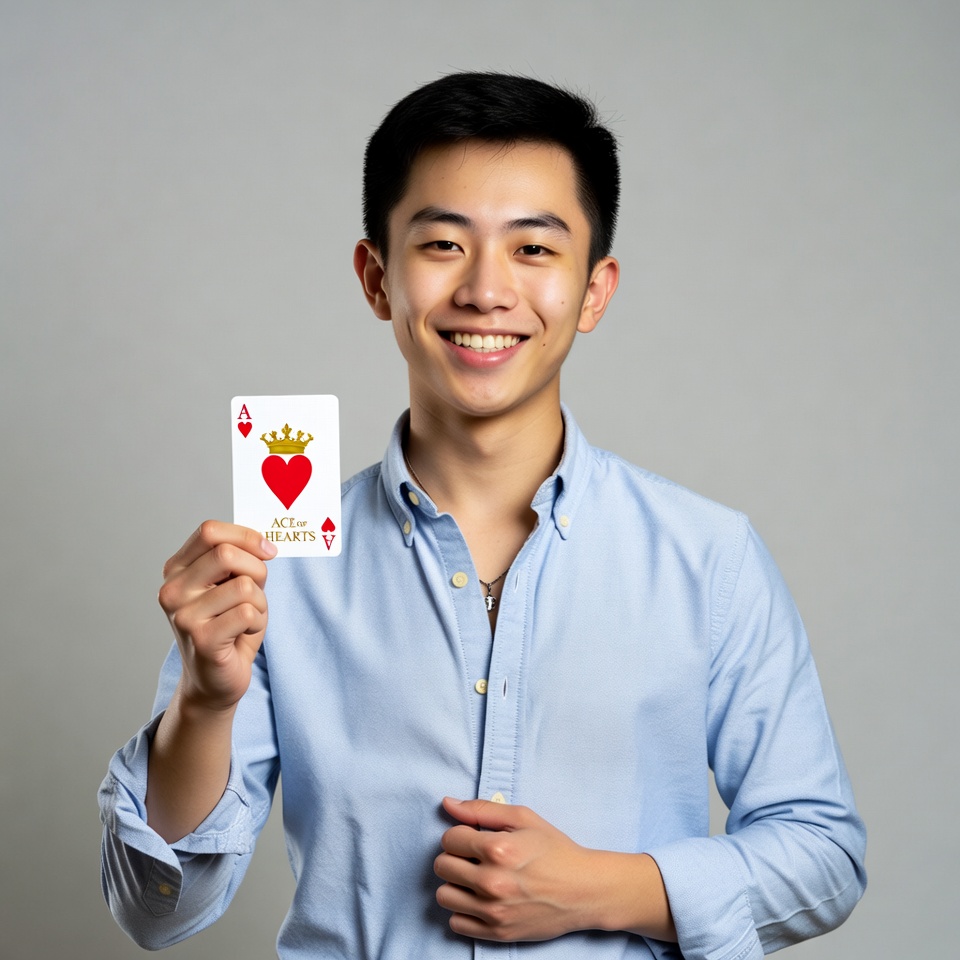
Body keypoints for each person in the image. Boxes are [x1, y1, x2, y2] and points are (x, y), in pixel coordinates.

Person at [99, 72, 866, 959]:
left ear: (595, 290)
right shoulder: (278, 566)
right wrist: (202, 703)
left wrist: (605, 888)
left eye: (535, 250)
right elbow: (153, 911)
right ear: (376, 276)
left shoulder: (710, 558)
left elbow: (823, 852)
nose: (487, 291)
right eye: (443, 246)